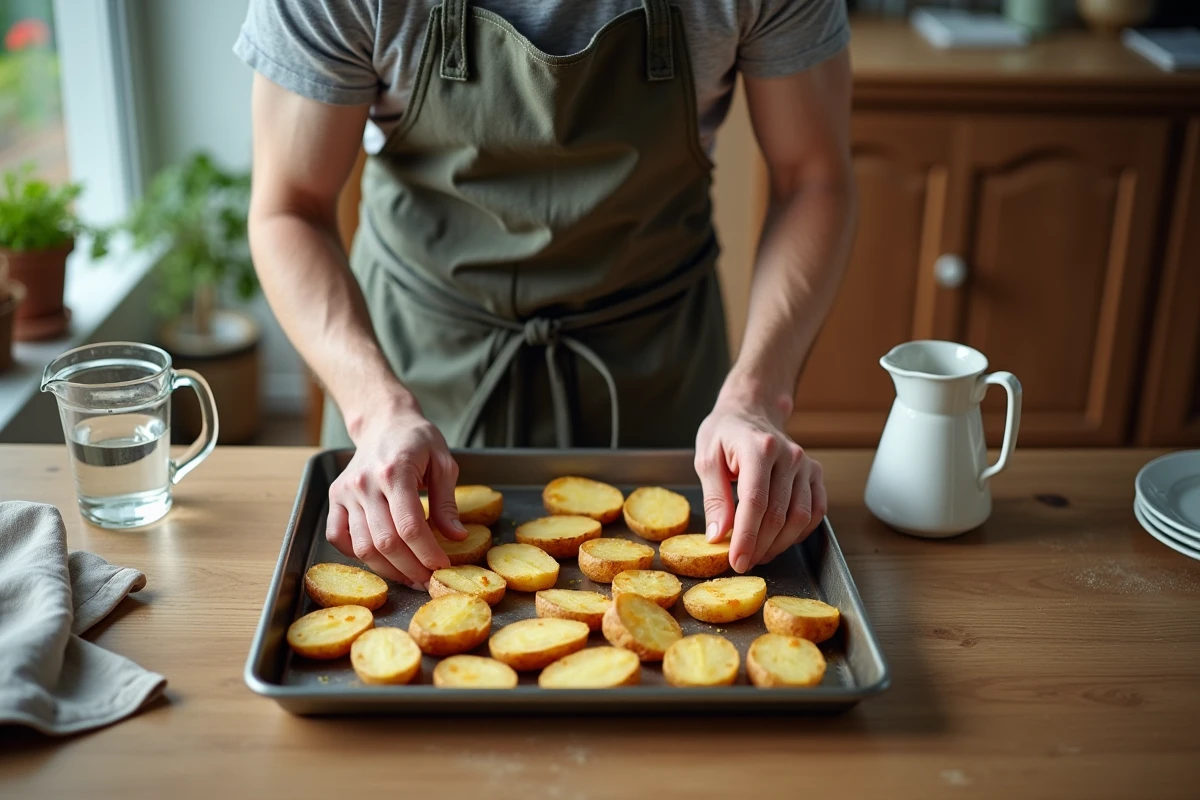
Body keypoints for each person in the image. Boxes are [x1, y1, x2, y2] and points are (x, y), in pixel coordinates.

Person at [236, 0, 855, 590]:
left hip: (660, 365)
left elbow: (814, 180)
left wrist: (756, 398)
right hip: (416, 362)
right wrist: (375, 411)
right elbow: (290, 208)